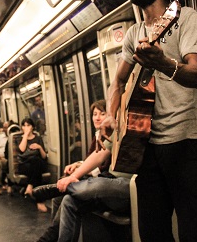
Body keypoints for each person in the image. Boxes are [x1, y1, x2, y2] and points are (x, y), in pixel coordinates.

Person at [102, 0, 197, 241]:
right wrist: (110, 114)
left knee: (196, 228)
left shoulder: (185, 18)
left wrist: (163, 62)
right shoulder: (134, 33)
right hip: (147, 144)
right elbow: (117, 81)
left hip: (187, 140)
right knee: (152, 229)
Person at [35, 100, 130, 242]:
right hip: (108, 178)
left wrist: (75, 175)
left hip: (124, 185)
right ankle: (52, 234)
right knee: (68, 200)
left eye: (103, 114)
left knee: (98, 184)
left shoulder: (139, 130)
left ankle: (68, 188)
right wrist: (74, 174)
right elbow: (98, 156)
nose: (98, 118)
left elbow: (100, 165)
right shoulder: (115, 132)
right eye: (95, 114)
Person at [17, 117, 48, 212]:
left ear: (32, 127)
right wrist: (26, 135)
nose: (26, 127)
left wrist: (39, 147)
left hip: (37, 163)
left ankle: (29, 187)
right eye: (24, 125)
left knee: (37, 161)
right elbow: (22, 150)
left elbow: (44, 156)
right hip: (24, 164)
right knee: (36, 164)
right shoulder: (19, 139)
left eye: (28, 125)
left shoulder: (38, 138)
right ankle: (39, 201)